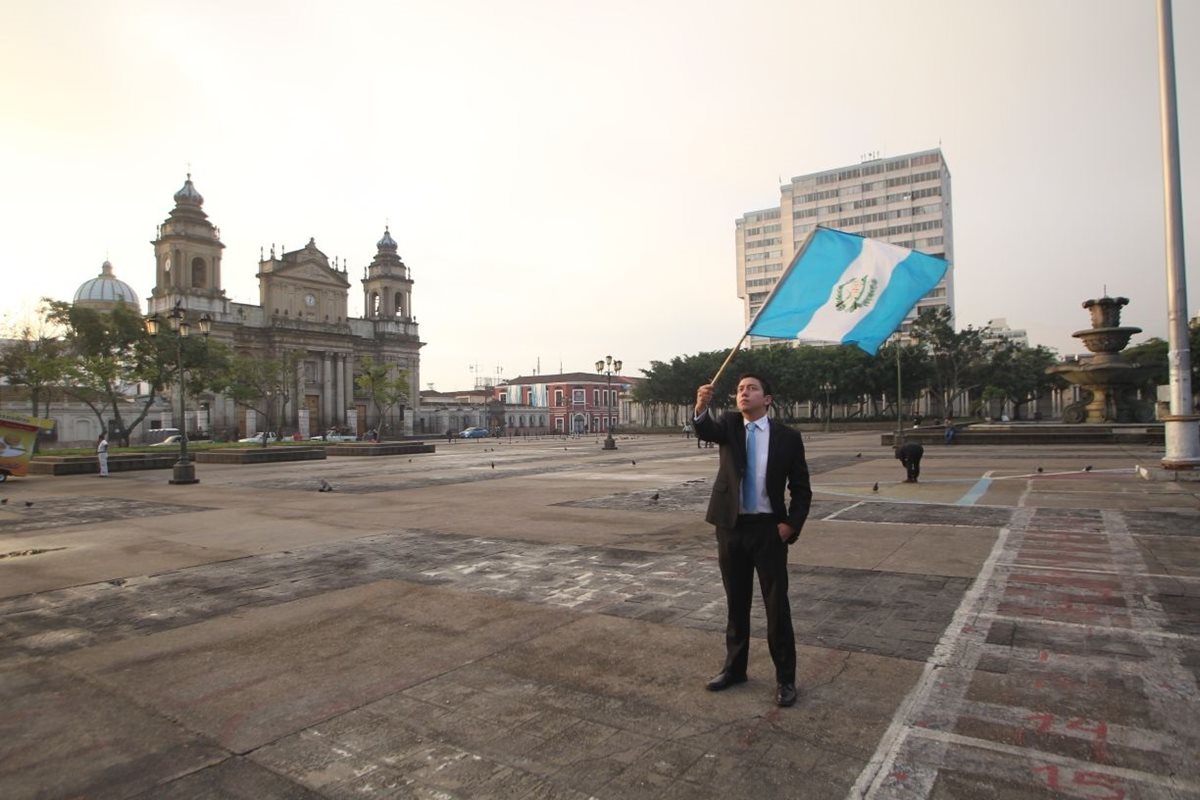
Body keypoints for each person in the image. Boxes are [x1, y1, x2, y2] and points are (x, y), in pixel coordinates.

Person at [694, 373, 812, 708]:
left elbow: (801, 489)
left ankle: (785, 679)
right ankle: (734, 669)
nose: (744, 393)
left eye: (752, 388)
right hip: (731, 528)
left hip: (768, 530)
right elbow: (704, 428)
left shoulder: (788, 438)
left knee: (777, 606)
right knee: (737, 602)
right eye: (741, 389)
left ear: (768, 399)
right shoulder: (730, 426)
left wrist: (791, 524)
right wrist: (701, 406)